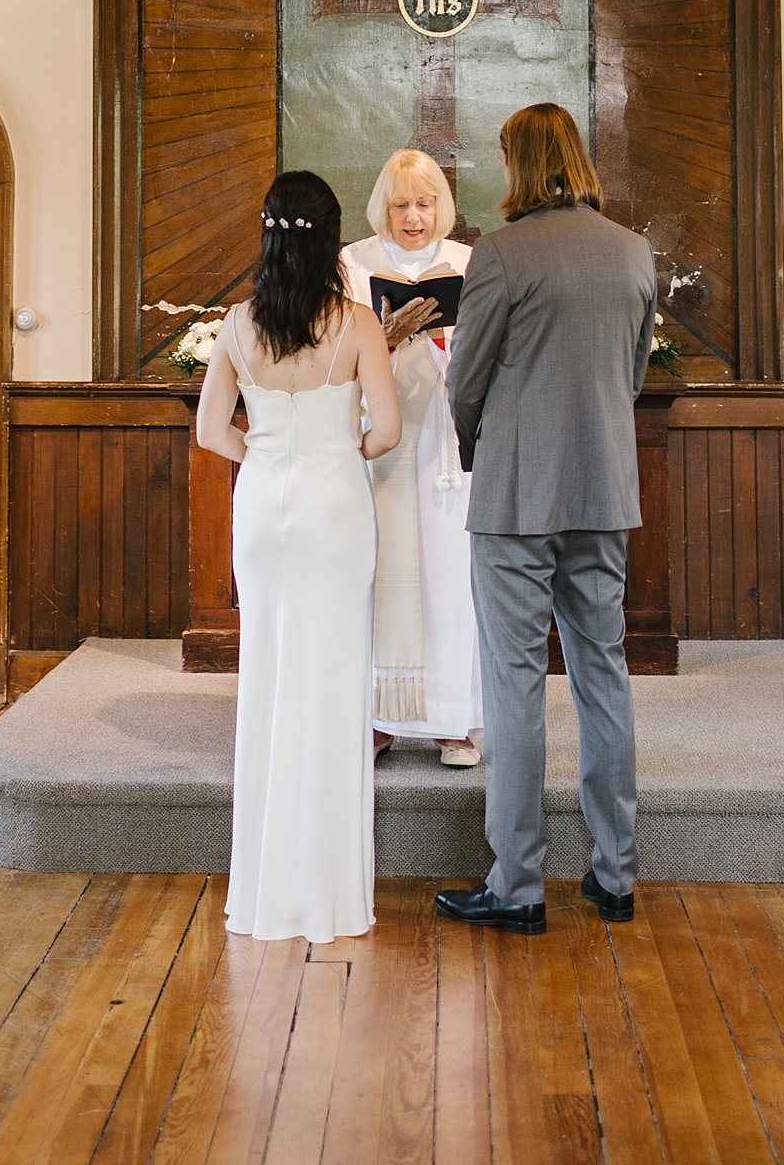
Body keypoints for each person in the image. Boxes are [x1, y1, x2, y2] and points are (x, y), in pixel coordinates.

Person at [437, 105, 657, 936]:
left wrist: (474, 448)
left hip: (516, 492)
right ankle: (614, 875)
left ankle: (517, 886)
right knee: (602, 672)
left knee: (514, 682)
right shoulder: (631, 251)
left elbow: (467, 376)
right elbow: (630, 374)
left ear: (517, 163)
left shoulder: (500, 252)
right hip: (601, 488)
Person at [196, 170, 401, 943]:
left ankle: (263, 892)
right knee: (332, 679)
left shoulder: (238, 322)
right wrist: (333, 452)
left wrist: (269, 454)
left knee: (270, 675)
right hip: (334, 506)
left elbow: (212, 433)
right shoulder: (355, 323)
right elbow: (386, 431)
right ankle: (328, 895)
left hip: (263, 504)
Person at [341, 150, 483, 768]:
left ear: (440, 207)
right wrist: (386, 337)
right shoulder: (356, 262)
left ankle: (453, 721)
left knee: (451, 577)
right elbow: (337, 347)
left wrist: (446, 337)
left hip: (447, 446)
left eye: (424, 204)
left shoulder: (467, 263)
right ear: (384, 208)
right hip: (385, 439)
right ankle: (380, 717)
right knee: (384, 576)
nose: (414, 217)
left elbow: (488, 346)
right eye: (401, 205)